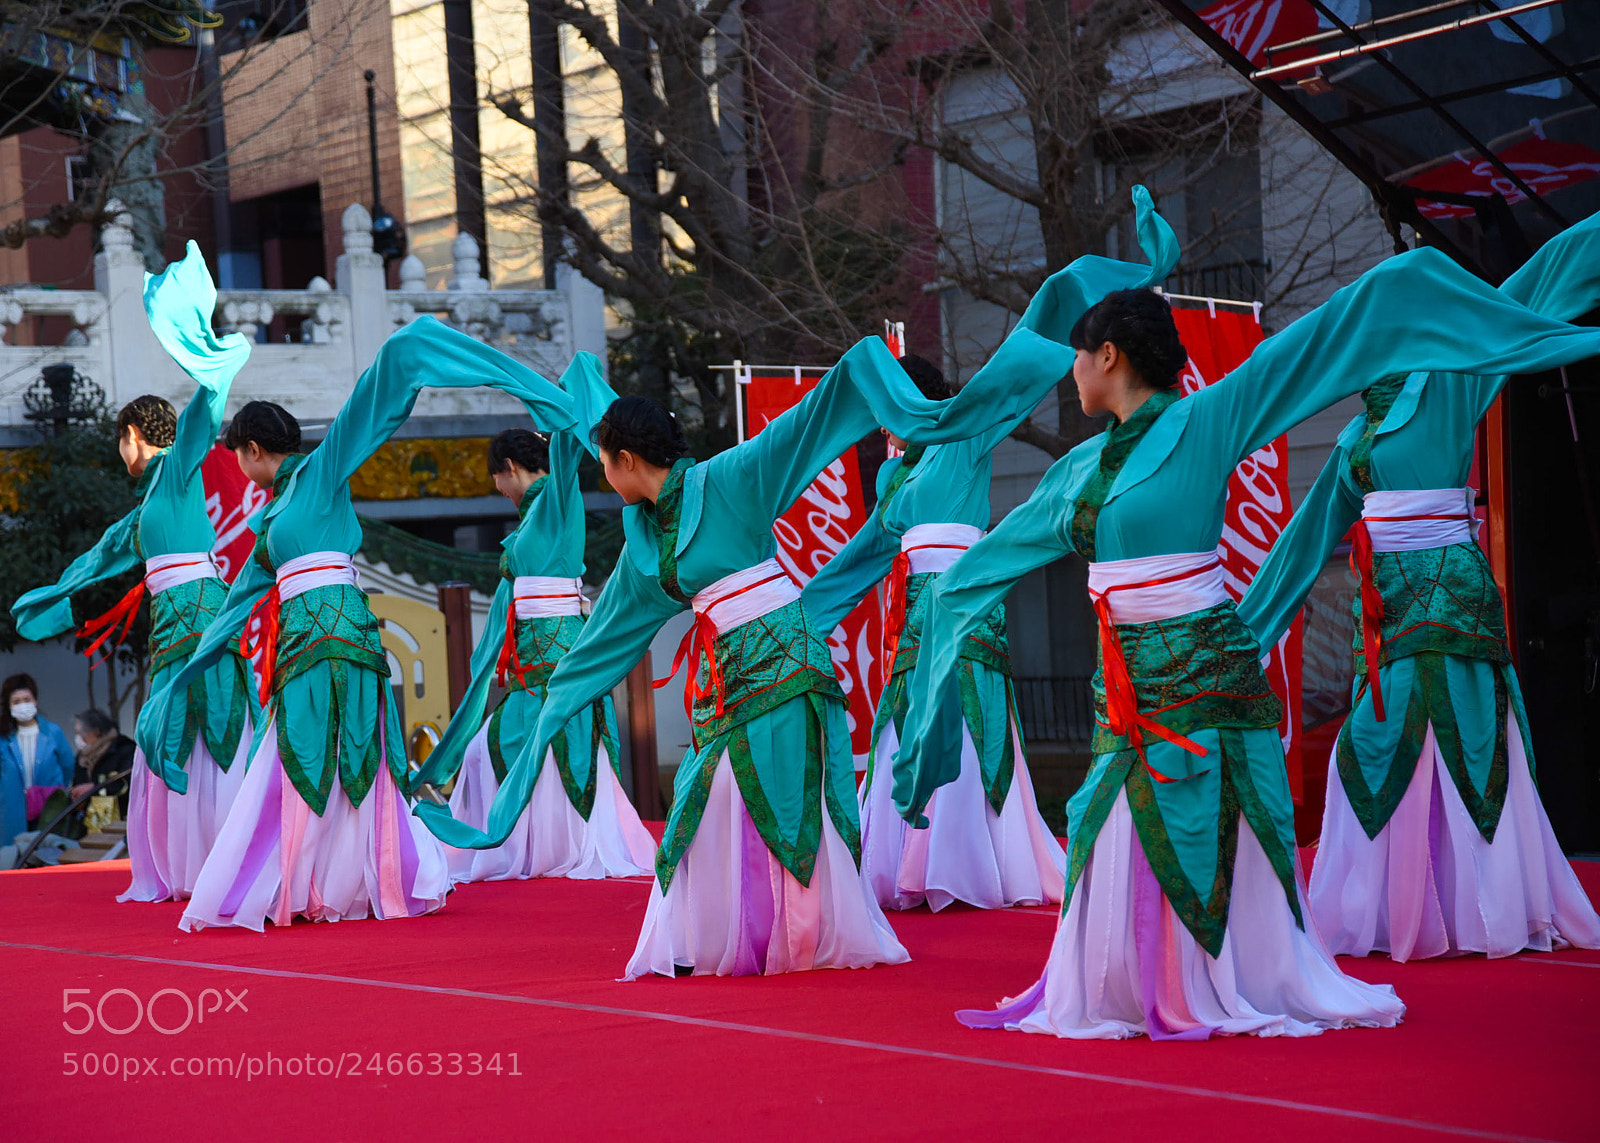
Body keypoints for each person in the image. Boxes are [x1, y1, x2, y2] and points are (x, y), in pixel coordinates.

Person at [417, 185, 1182, 980]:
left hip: (791, 666)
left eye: (603, 462)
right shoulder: (649, 548)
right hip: (757, 671)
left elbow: (820, 410)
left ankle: (815, 928)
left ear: (626, 461)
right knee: (710, 804)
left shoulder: (736, 476)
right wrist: (543, 719)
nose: (600, 477)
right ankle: (727, 936)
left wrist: (890, 391)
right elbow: (603, 643)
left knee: (778, 800)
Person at [893, 242, 1600, 1039]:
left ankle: (1235, 977)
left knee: (1211, 830)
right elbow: (979, 569)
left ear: (1110, 356)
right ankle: (1135, 983)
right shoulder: (1078, 471)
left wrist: (1404, 283)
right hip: (1126, 700)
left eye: (1080, 356)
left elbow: (1328, 336)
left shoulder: (1210, 418)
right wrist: (925, 710)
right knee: (1116, 832)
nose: (1073, 373)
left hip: (1212, 685)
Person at [136, 315, 580, 931]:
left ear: (254, 451)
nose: (239, 468)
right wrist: (185, 674)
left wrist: (402, 353)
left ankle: (357, 880)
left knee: (357, 766)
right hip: (305, 654)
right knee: (297, 759)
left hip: (346, 645)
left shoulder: (320, 473)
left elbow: (372, 409)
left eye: (239, 456)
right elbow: (237, 604)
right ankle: (311, 883)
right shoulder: (272, 523)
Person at [1239, 213, 1600, 962]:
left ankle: (1482, 911)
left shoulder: (1451, 377)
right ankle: (1395, 911)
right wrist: (1235, 638)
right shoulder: (1352, 440)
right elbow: (1301, 546)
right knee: (1377, 747)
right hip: (1394, 612)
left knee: (1455, 742)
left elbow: (1534, 286)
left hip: (1450, 601)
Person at [11, 243, 257, 902]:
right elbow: (103, 558)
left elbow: (206, 411)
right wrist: (54, 602)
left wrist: (210, 366)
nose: (120, 449)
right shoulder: (146, 506)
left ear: (133, 436)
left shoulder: (176, 467)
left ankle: (232, 865)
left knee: (211, 730)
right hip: (181, 622)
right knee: (173, 734)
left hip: (199, 616)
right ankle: (201, 866)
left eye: (122, 437)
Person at [801, 354, 1066, 911]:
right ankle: (908, 864)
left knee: (970, 719)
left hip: (966, 600)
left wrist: (1062, 327)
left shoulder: (964, 432)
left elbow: (1011, 383)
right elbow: (866, 554)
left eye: (885, 408)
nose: (880, 424)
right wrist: (799, 616)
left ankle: (969, 863)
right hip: (914, 613)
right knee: (904, 724)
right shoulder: (891, 473)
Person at [412, 352, 656, 882]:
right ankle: (535, 842)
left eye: (499, 477)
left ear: (512, 470)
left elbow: (567, 440)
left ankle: (546, 845)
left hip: (555, 641)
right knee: (512, 742)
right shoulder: (535, 513)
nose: (498, 488)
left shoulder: (553, 495)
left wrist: (550, 390)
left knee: (525, 739)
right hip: (543, 643)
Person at [0, 674, 74, 845]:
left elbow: (67, 765)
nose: (22, 705)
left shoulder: (53, 732)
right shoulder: (3, 736)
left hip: (48, 808)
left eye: (26, 699)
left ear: (35, 700)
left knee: (46, 852)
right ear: (9, 706)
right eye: (16, 701)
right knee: (14, 857)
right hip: (11, 808)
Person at [70, 709, 135, 816]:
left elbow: (127, 785)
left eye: (80, 733)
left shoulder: (123, 750)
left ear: (96, 732)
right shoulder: (82, 757)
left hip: (119, 819)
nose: (78, 738)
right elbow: (77, 783)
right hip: (90, 821)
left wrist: (94, 788)